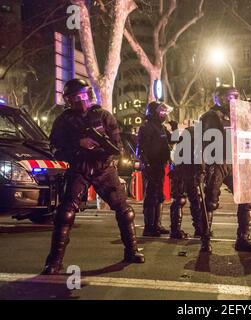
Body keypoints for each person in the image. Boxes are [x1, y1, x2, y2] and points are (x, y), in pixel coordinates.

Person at [42, 79, 145, 275]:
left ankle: (132, 250)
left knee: (125, 211)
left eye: (81, 95)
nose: (78, 100)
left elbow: (117, 146)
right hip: (79, 168)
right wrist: (78, 144)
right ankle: (54, 261)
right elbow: (55, 148)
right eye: (73, 97)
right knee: (64, 214)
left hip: (104, 169)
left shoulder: (103, 116)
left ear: (87, 94)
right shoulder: (63, 121)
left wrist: (101, 147)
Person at [199, 85, 251, 254]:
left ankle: (243, 239)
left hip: (240, 161)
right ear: (219, 98)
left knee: (247, 199)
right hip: (219, 162)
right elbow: (206, 140)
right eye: (229, 96)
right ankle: (205, 240)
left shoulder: (241, 115)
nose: (233, 100)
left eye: (236, 96)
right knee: (211, 202)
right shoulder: (211, 116)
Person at [137, 102, 173, 237]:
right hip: (151, 166)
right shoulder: (147, 127)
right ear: (152, 112)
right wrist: (146, 164)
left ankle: (157, 224)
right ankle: (149, 227)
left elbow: (174, 140)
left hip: (160, 165)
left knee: (159, 195)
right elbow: (140, 148)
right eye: (160, 111)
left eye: (164, 112)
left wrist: (174, 129)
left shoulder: (161, 128)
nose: (163, 114)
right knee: (151, 196)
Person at [169, 126, 203, 239]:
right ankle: (196, 228)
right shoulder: (193, 145)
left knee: (190, 201)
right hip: (186, 174)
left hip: (183, 174)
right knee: (189, 201)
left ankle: (196, 228)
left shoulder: (182, 144)